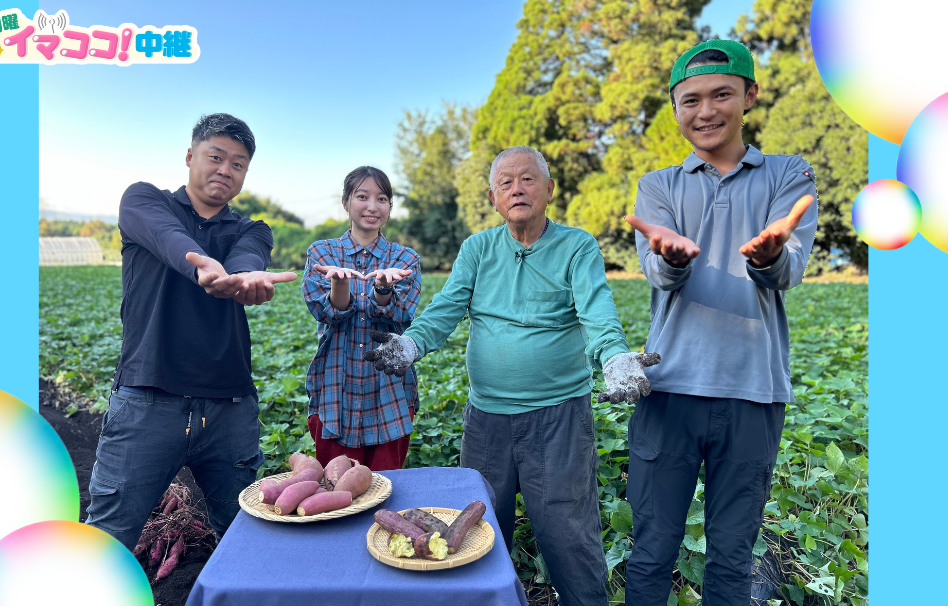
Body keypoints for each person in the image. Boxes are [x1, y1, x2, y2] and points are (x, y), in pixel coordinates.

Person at [364, 146, 659, 606]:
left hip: (558, 419)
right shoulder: (478, 249)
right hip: (486, 421)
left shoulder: (575, 245)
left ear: (549, 190)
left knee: (568, 533)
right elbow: (444, 310)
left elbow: (597, 311)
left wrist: (615, 357)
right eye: (506, 182)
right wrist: (410, 343)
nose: (517, 189)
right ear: (492, 197)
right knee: (476, 528)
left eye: (527, 179)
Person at [622, 40, 818, 606]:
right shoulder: (659, 185)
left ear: (750, 96)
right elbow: (658, 273)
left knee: (732, 554)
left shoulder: (787, 174)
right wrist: (673, 258)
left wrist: (767, 257)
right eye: (690, 100)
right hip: (668, 391)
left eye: (721, 95)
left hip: (752, 394)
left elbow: (790, 269)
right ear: (676, 108)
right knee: (653, 547)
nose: (704, 111)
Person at [85, 113, 298, 552]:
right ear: (190, 156)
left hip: (230, 408)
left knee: (242, 537)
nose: (225, 169)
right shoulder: (145, 201)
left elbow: (247, 257)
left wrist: (242, 279)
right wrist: (201, 265)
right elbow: (165, 236)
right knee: (108, 541)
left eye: (238, 163)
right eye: (215, 156)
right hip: (147, 400)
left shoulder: (252, 228)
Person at [302, 166, 421, 471]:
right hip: (334, 390)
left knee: (387, 489)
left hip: (389, 393)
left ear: (390, 207)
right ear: (346, 202)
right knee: (336, 490)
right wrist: (339, 283)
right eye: (362, 196)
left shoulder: (405, 259)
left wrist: (383, 288)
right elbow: (327, 314)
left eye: (382, 199)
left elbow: (400, 314)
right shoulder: (322, 253)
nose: (372, 206)